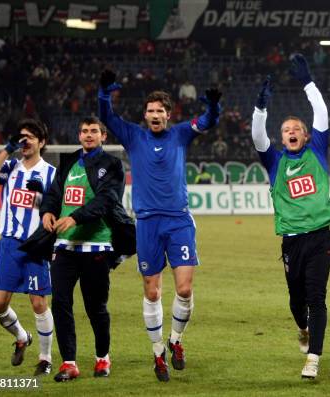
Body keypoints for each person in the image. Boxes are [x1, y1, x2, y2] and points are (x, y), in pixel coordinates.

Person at [98, 69, 221, 382]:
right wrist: (103, 94)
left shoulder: (180, 133)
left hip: (179, 220)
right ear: (145, 115)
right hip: (148, 223)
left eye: (160, 111)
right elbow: (107, 118)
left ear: (169, 114)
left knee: (184, 288)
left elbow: (206, 123)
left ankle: (176, 340)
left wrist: (213, 108)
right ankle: (158, 354)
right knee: (152, 293)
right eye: (150, 111)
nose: (155, 115)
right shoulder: (133, 136)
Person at [21, 116, 136, 381]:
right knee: (61, 304)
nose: (88, 135)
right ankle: (69, 363)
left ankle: (102, 358)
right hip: (64, 247)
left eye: (93, 131)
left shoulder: (113, 165)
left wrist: (75, 217)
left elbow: (108, 200)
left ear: (103, 136)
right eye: (84, 131)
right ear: (79, 134)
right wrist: (48, 212)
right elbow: (53, 193)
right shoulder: (69, 161)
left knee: (95, 307)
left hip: (96, 245)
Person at [251, 54, 330, 379]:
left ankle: (313, 359)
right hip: (291, 242)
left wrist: (308, 82)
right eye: (286, 130)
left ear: (306, 135)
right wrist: (260, 108)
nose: (291, 132)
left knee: (317, 297)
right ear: (282, 138)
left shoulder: (317, 151)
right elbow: (258, 136)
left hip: (320, 238)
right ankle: (303, 329)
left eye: (296, 128)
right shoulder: (274, 162)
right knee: (296, 301)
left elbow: (322, 113)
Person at [0, 119, 56, 375]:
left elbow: (56, 207)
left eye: (30, 138)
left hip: (36, 244)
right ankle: (22, 336)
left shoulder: (51, 173)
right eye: (21, 138)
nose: (25, 142)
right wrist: (7, 148)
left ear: (42, 142)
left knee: (38, 303)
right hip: (9, 245)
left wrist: (42, 197)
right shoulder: (11, 166)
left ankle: (45, 359)